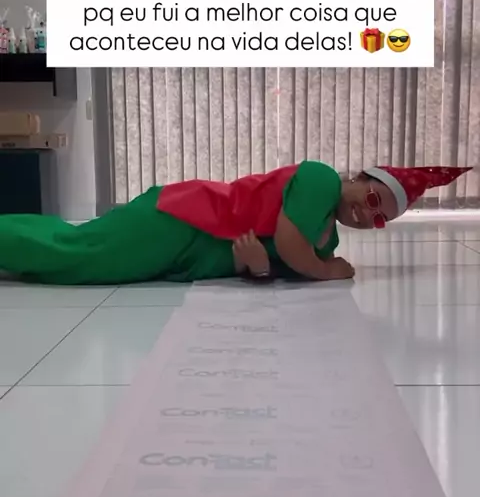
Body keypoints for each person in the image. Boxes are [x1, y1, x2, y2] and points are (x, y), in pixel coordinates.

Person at [0, 161, 470, 286]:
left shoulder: (325, 242)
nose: (369, 214)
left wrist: (258, 268)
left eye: (380, 218)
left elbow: (276, 264)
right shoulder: (321, 179)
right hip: (180, 221)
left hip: (186, 256)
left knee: (79, 251)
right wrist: (325, 271)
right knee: (79, 255)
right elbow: (290, 246)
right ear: (357, 178)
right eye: (372, 199)